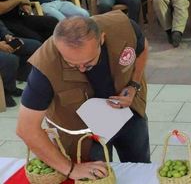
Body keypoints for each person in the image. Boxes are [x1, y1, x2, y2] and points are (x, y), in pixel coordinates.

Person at [16, 13, 151, 180]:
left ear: (102, 39)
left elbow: (142, 47)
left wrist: (133, 84)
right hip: (83, 134)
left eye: (88, 63)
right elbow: (26, 128)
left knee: (141, 169)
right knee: (97, 177)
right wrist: (72, 169)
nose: (80, 68)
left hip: (128, 113)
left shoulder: (122, 27)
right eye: (71, 63)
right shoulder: (45, 65)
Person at [0, 19, 41, 107]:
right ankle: (5, 90)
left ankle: (12, 81)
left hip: (2, 41)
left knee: (35, 46)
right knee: (10, 59)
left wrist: (7, 35)